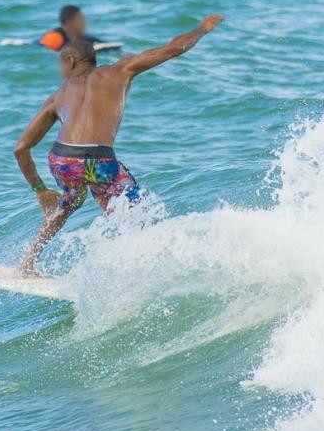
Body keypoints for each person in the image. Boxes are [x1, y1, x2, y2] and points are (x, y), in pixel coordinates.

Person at [14, 14, 225, 275]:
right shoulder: (121, 70)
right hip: (101, 161)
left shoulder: (57, 96)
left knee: (68, 203)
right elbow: (173, 49)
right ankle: (147, 268)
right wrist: (202, 29)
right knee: (134, 214)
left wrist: (39, 189)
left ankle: (28, 262)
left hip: (64, 161)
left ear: (69, 61)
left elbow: (21, 148)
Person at [39, 5, 104, 51]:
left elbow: (105, 46)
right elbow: (39, 51)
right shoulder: (54, 38)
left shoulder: (83, 39)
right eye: (80, 20)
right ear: (69, 23)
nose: (85, 23)